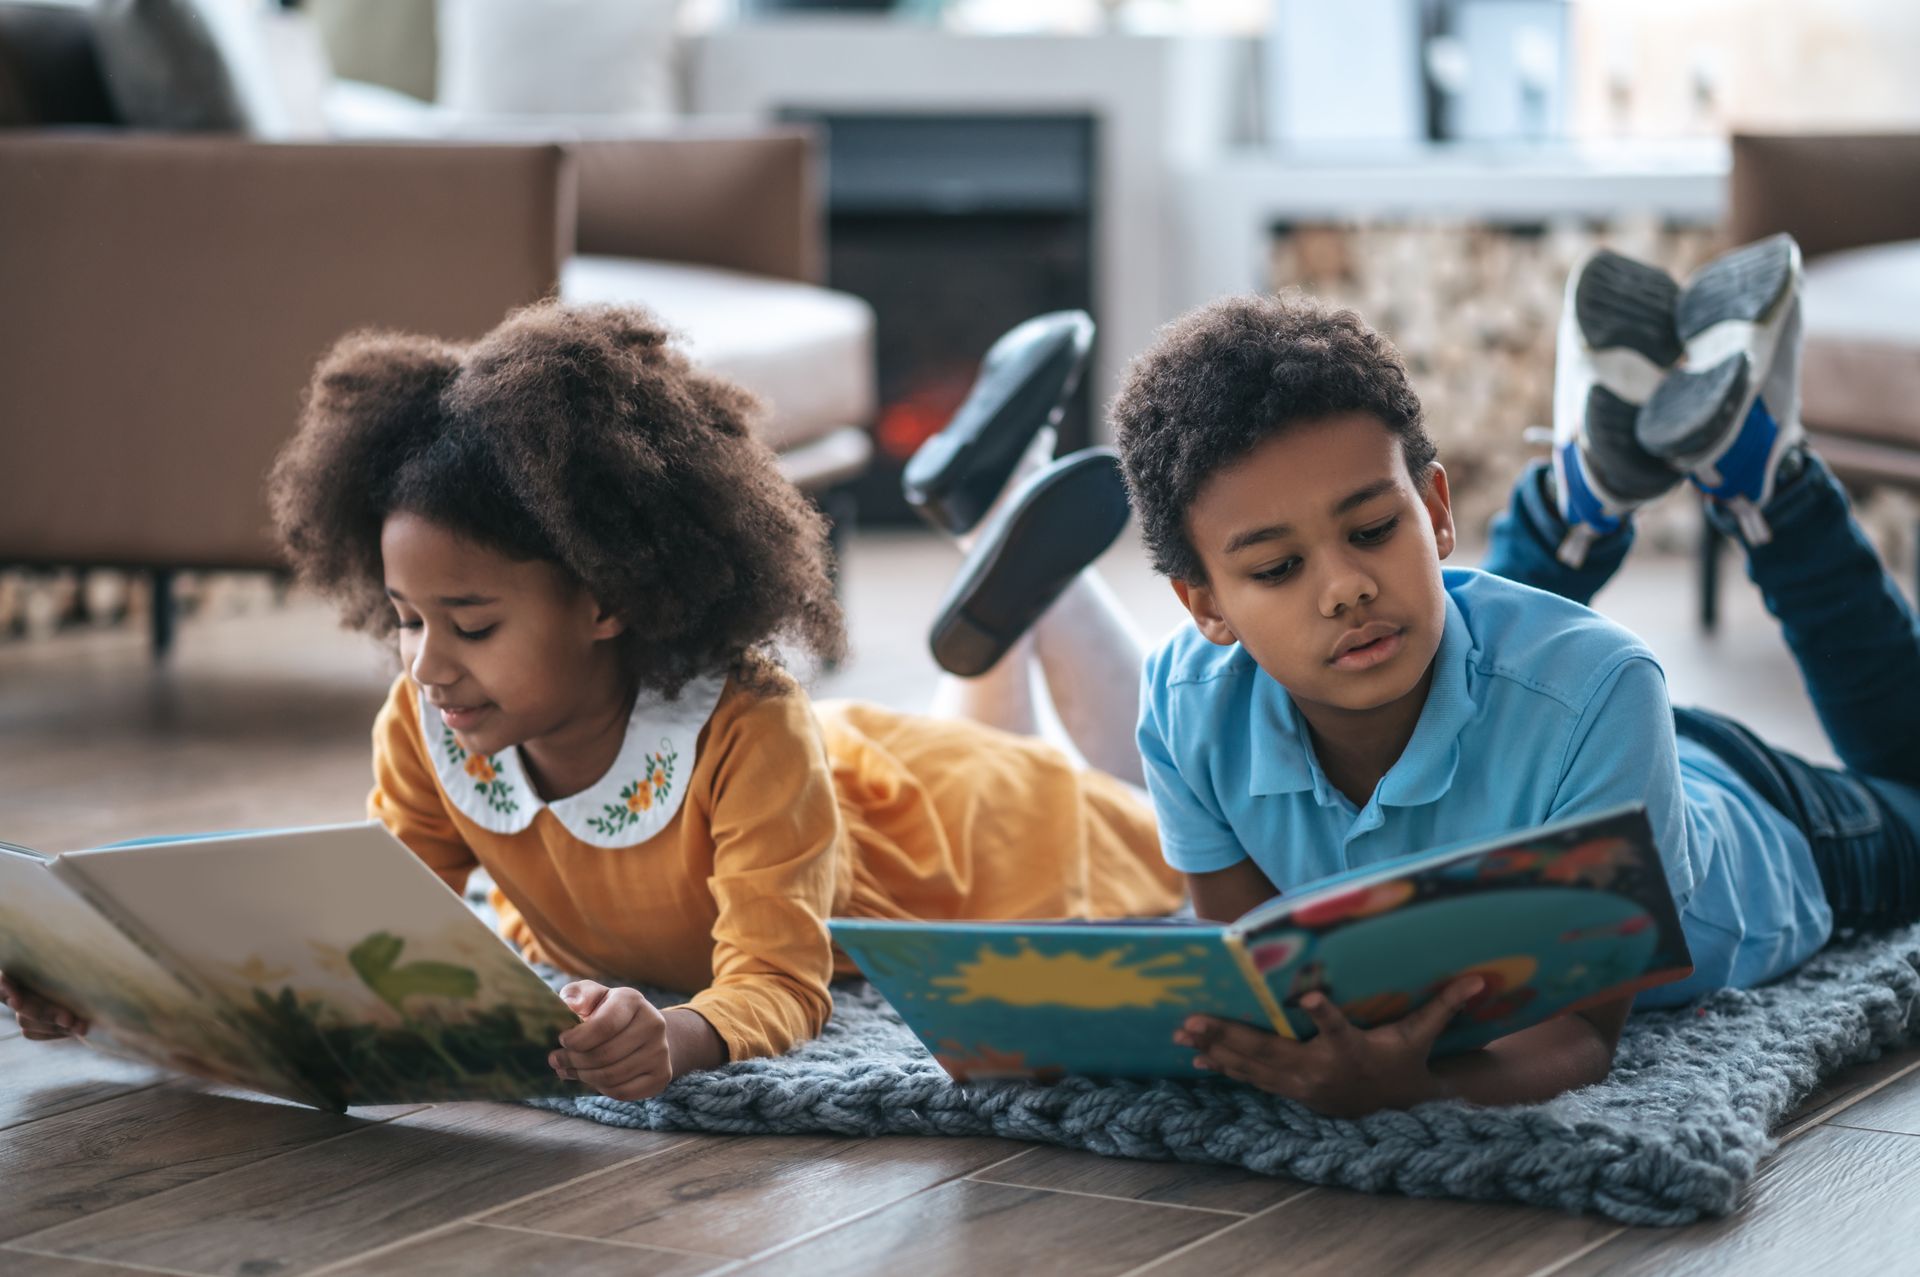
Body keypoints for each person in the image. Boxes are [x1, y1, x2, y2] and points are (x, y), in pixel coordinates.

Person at [0, 301, 1182, 1101]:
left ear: (609, 597)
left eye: (471, 624)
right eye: (407, 619)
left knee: (1155, 810)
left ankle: (1015, 521)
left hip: (960, 843)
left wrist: (680, 1034)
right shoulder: (433, 720)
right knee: (988, 722)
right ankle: (1004, 522)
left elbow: (781, 978)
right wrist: (124, 992)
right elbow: (361, 929)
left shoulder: (744, 731)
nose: (425, 664)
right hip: (858, 784)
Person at [1108, 235, 1920, 1117]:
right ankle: (1580, 492)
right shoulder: (1185, 707)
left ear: (1436, 509)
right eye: (1275, 570)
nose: (1344, 587)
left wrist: (1421, 1087)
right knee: (1471, 641)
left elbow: (1576, 1034)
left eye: (1376, 528)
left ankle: (1767, 478)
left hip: (1775, 822)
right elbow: (1249, 973)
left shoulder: (1600, 688)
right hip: (1555, 735)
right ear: (1205, 606)